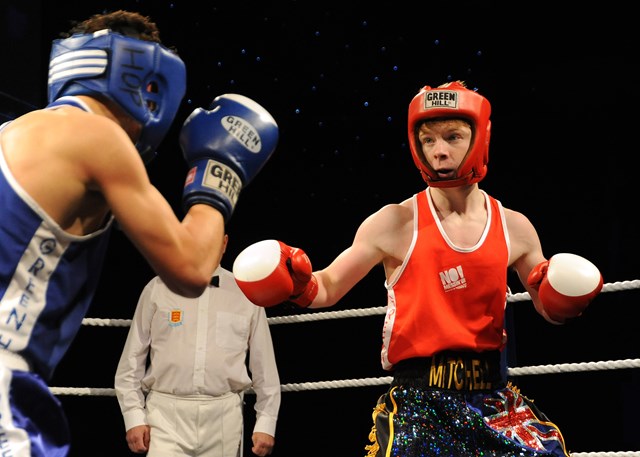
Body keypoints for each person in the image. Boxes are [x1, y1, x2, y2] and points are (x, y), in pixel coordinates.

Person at [231, 81, 604, 456]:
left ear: (480, 138)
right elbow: (327, 286)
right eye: (428, 141)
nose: (440, 151)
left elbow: (549, 308)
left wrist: (562, 296)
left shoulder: (514, 226)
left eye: (453, 137)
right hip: (419, 404)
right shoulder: (395, 222)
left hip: (493, 399)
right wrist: (295, 283)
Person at [0, 10, 278, 457]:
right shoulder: (97, 135)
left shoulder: (13, 132)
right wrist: (220, 171)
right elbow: (191, 268)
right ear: (138, 79)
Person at [115, 233, 280, 457]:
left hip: (224, 417)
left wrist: (266, 422)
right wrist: (133, 416)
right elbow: (131, 361)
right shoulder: (158, 288)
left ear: (224, 243)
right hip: (164, 416)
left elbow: (265, 366)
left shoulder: (245, 293)